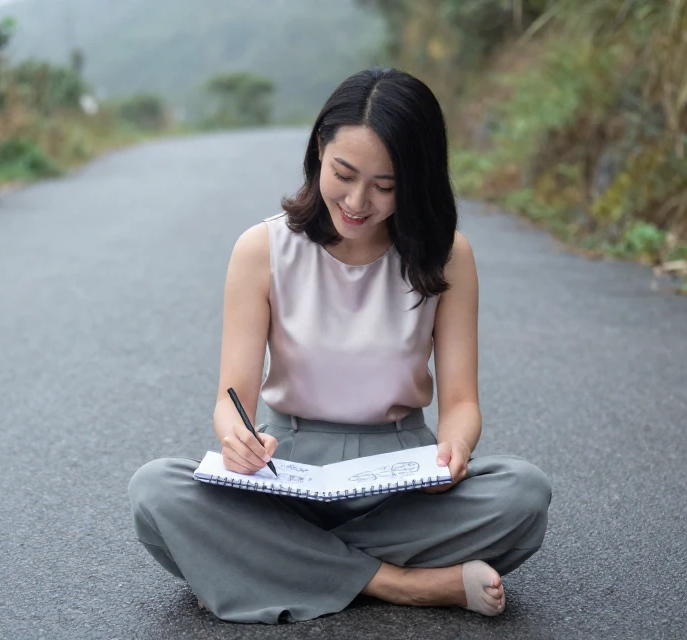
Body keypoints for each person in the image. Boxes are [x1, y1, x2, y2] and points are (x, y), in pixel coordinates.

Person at [127, 67, 552, 625]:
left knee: (523, 494)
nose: (357, 201)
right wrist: (238, 438)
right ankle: (405, 585)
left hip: (401, 480)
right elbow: (233, 398)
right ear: (318, 152)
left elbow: (461, 401)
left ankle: (262, 567)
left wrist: (454, 451)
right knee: (156, 491)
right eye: (343, 174)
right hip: (288, 480)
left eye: (385, 186)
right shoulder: (263, 249)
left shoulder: (447, 255)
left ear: (417, 181)